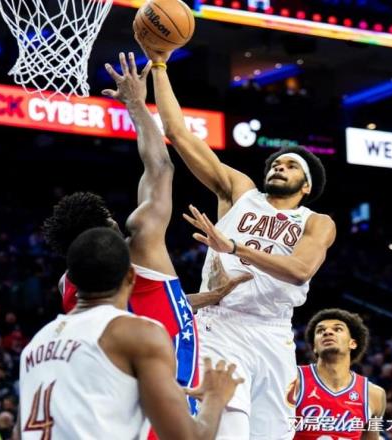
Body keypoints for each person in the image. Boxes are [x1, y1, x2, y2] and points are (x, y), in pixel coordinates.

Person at [135, 40, 336, 439]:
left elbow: (300, 271)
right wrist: (159, 65)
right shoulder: (240, 192)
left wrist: (234, 248)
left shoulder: (317, 222)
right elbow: (179, 132)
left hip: (275, 335)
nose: (279, 167)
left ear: (306, 185)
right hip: (221, 325)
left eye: (290, 165)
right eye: (276, 163)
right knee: (228, 431)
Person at [42, 53, 251, 415]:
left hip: (106, 402)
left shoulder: (71, 283)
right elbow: (160, 166)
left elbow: (152, 306)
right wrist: (136, 104)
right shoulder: (140, 241)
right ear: (109, 225)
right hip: (166, 400)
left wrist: (211, 296)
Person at [18, 227, 243, 440]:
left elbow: (19, 433)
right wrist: (215, 397)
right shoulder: (133, 333)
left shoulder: (34, 346)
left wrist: (211, 296)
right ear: (131, 276)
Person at [287, 308, 386, 439]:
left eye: (337, 329)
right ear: (315, 347)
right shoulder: (292, 378)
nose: (327, 332)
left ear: (352, 343)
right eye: (320, 331)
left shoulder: (374, 394)